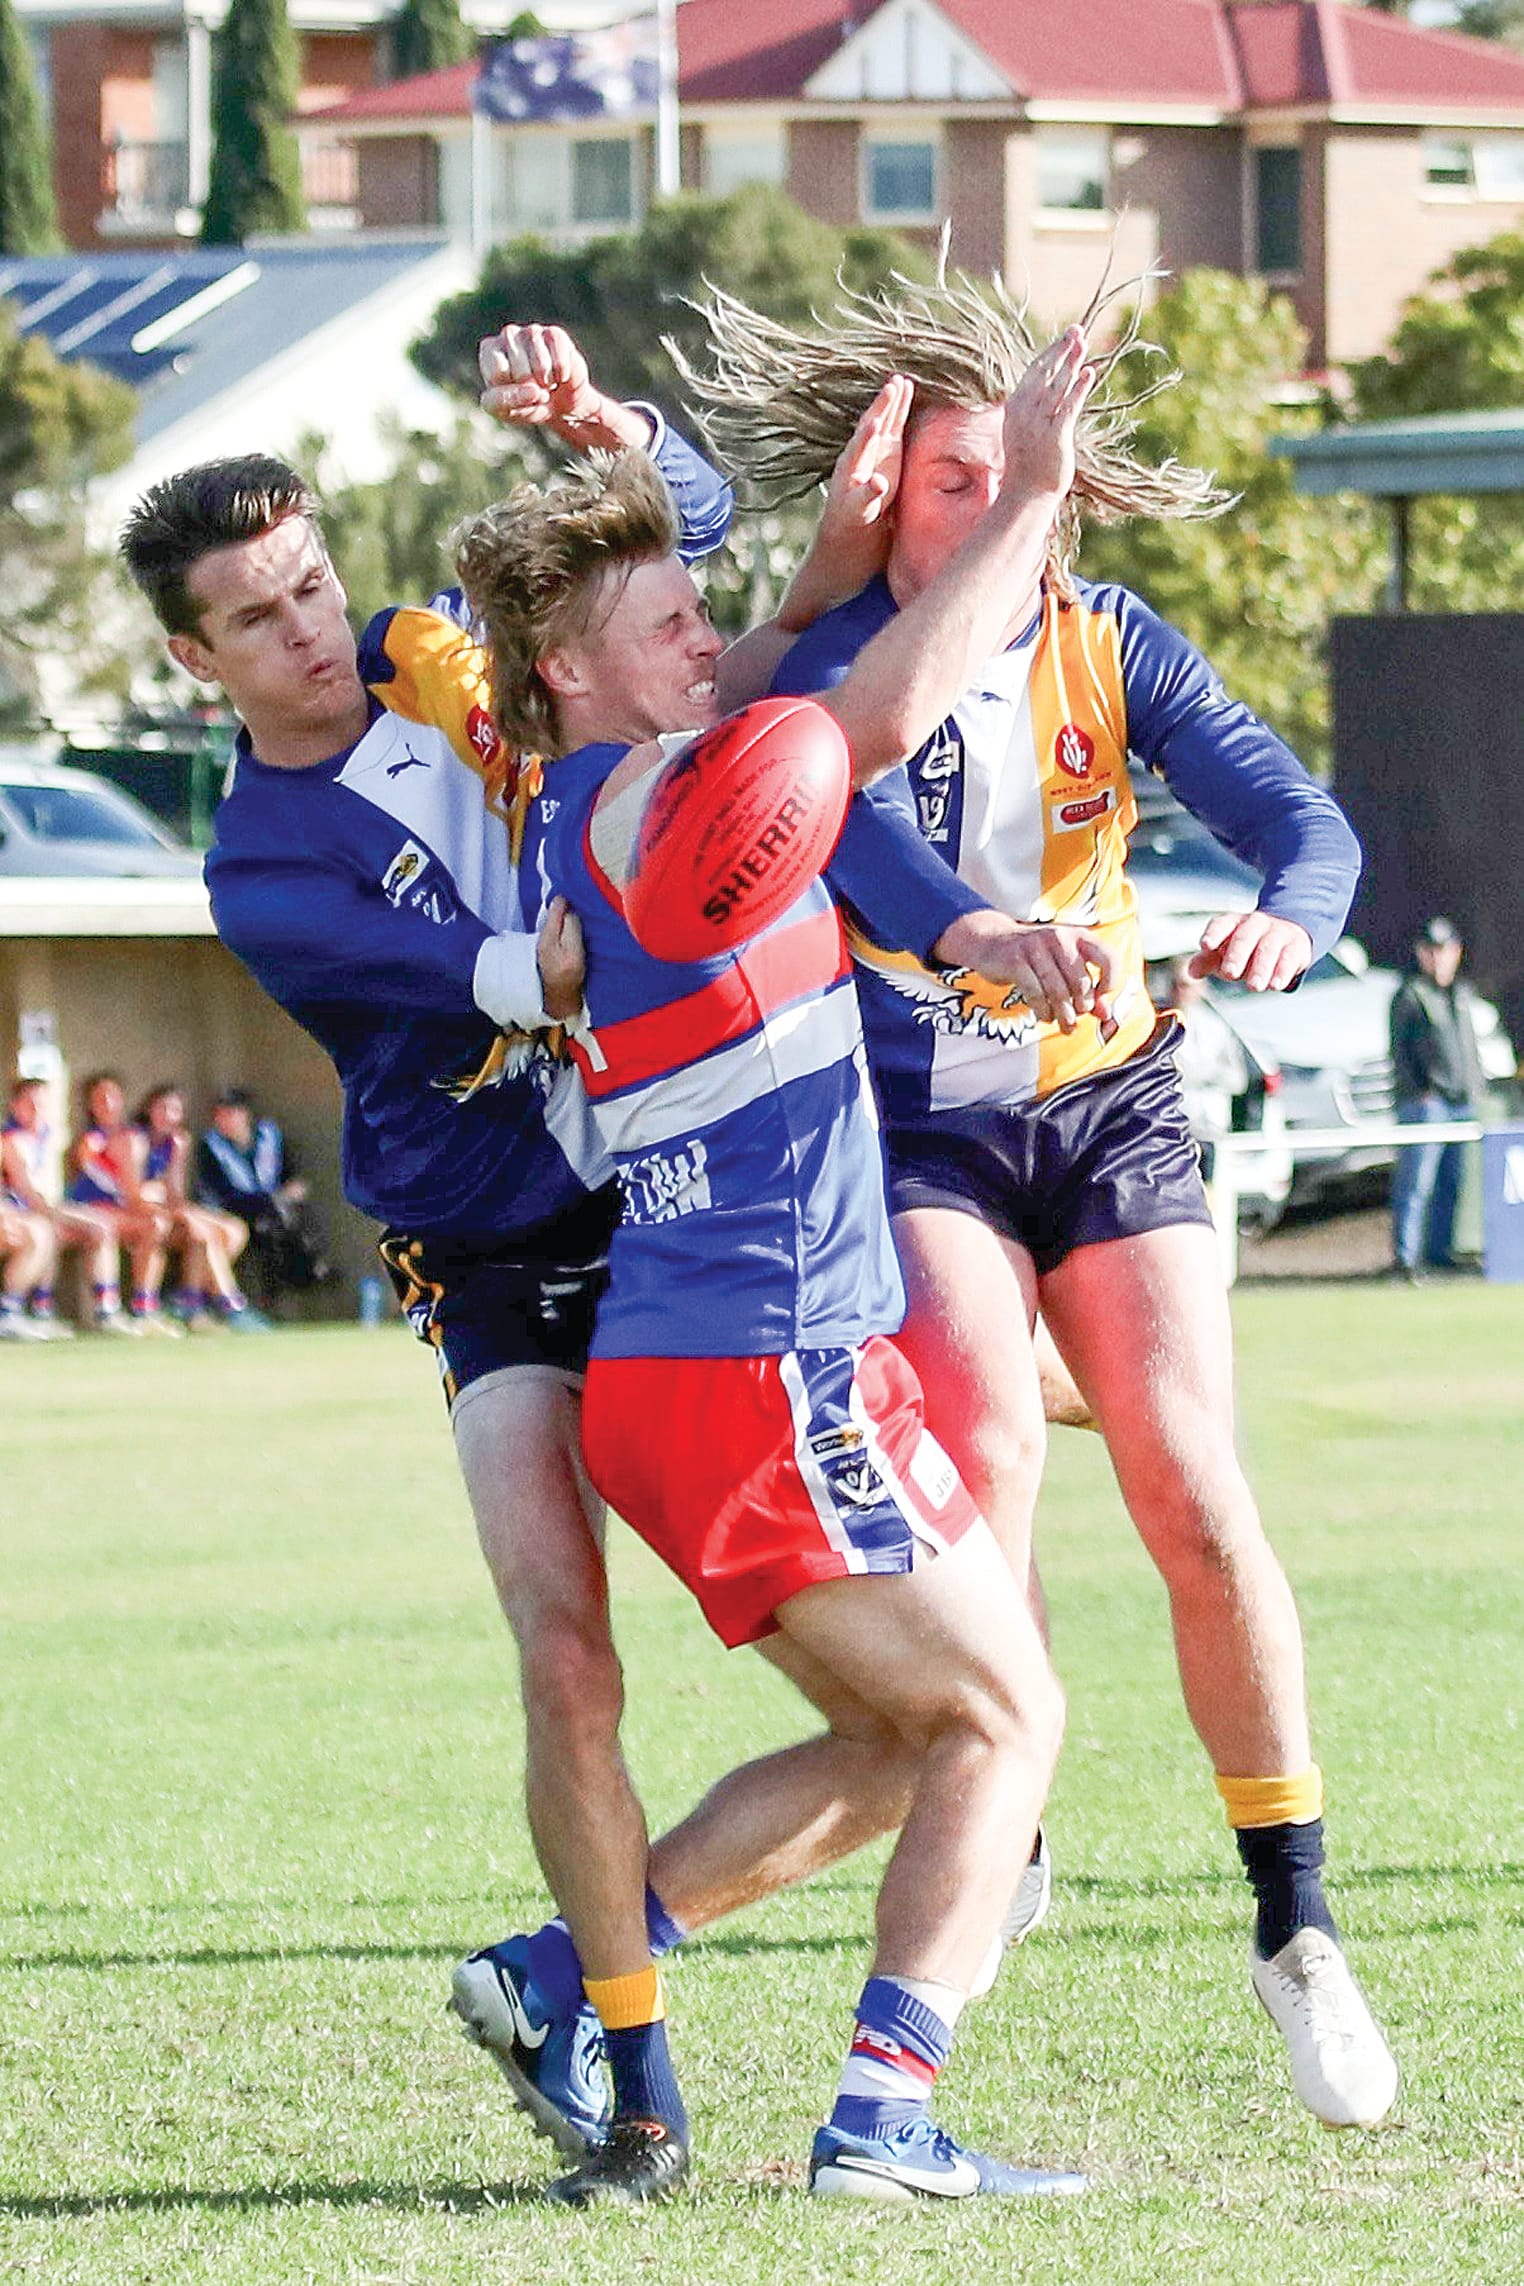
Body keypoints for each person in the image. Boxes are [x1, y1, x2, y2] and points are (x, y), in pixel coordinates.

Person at [121, 324, 1107, 2206]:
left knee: (928, 1708)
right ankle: (640, 2086)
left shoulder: (453, 657)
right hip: (497, 1246)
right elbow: (536, 965)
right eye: (253, 620)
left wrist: (599, 430)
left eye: (313, 581)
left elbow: (667, 570)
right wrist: (648, 883)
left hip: (644, 1209)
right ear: (197, 660)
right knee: (568, 1661)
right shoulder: (259, 866)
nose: (309, 631)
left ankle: (583, 1977)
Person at [681, 267, 1399, 2131]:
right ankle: (1007, 1805)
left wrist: (1280, 918)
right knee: (983, 1443)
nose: (993, 499)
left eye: (1016, 471)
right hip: (918, 1118)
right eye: (948, 477)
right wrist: (977, 931)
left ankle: (1292, 1926)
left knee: (1188, 1486)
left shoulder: (1113, 642)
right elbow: (856, 844)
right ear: (880, 499)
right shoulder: (833, 671)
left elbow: (1304, 826)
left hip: (1110, 1102)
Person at [450, 329, 1103, 2205]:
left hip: (741, 1356)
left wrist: (806, 552)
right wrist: (1035, 490)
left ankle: (571, 1968)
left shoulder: (611, 787)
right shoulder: (673, 794)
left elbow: (801, 670)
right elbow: (871, 712)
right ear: (571, 666)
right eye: (666, 617)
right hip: (755, 1362)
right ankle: (880, 2128)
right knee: (1004, 1714)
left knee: (905, 1739)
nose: (702, 634)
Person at [1389, 918, 1487, 1281]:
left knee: (1452, 1182)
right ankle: (1405, 1258)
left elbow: (1469, 1049)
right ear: (1420, 953)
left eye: (1444, 951)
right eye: (1431, 951)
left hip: (1461, 1102)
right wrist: (1420, 1093)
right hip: (1428, 1104)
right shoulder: (1412, 995)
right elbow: (1400, 1053)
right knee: (1416, 1184)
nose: (1438, 959)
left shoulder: (1461, 994)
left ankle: (1439, 1252)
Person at [134, 1083, 269, 1331]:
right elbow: (136, 1194)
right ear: (149, 1109)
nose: (169, 1115)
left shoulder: (177, 1142)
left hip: (168, 1212)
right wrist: (170, 1205)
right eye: (162, 1108)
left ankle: (191, 1301)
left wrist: (176, 1163)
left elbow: (175, 1193)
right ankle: (228, 1304)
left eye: (175, 1110)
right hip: (141, 1215)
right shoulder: (136, 1140)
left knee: (233, 1230)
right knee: (202, 1234)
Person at [66, 1073, 181, 1336]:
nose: (107, 1102)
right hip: (89, 1209)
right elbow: (122, 1189)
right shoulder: (91, 1140)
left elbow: (161, 1188)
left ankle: (144, 1307)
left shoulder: (135, 1136)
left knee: (157, 1224)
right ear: (90, 1105)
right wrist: (149, 1196)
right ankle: (107, 1311)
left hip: (123, 1211)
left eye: (113, 1095)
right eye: (100, 1097)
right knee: (113, 1226)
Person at [196, 1088, 331, 1302]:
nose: (223, 1121)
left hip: (276, 1210)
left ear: (245, 1114)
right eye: (219, 1115)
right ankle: (310, 1268)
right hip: (237, 1211)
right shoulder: (212, 1146)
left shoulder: (269, 1136)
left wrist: (287, 1193)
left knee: (284, 1219)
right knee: (271, 1225)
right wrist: (267, 1201)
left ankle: (306, 1269)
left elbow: (292, 1175)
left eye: (230, 1114)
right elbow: (221, 1192)